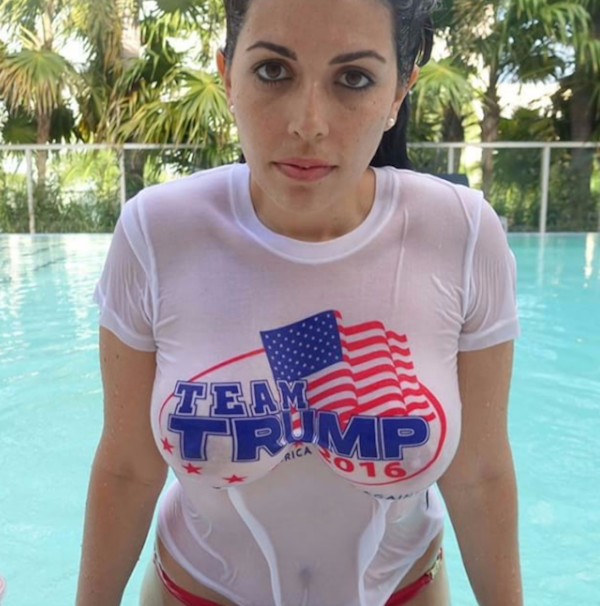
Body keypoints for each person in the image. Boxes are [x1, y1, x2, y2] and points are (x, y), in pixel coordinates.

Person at [76, 0, 524, 604]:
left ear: (398, 93)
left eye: (353, 78)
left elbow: (480, 475)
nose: (308, 124)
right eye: (273, 71)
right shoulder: (157, 234)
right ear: (227, 76)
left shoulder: (461, 235)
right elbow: (128, 469)